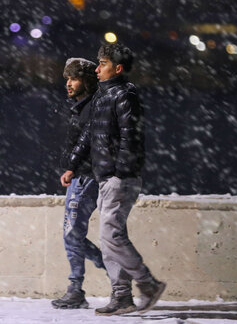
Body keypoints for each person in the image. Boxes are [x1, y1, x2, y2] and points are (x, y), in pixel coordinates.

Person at [60, 43, 166, 316]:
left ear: (117, 68)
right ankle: (121, 296)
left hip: (119, 177)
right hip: (105, 176)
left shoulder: (124, 94)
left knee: (111, 235)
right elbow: (88, 135)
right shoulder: (102, 96)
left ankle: (148, 283)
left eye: (103, 64)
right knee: (108, 239)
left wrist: (119, 171)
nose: (97, 69)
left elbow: (132, 138)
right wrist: (72, 166)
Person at [51, 58, 106, 310]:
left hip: (87, 178)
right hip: (79, 178)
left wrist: (74, 167)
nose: (68, 84)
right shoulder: (82, 106)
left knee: (73, 233)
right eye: (67, 79)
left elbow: (91, 145)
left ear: (87, 80)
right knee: (71, 234)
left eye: (73, 79)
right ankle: (109, 269)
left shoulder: (94, 107)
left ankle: (79, 287)